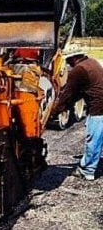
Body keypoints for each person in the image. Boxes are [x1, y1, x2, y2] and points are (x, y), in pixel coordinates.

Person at [53, 44, 103, 181]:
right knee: (98, 139)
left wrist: (55, 110)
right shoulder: (91, 62)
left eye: (68, 59)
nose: (68, 63)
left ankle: (87, 170)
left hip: (99, 108)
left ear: (74, 57)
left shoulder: (79, 70)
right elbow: (80, 92)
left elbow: (69, 93)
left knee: (94, 140)